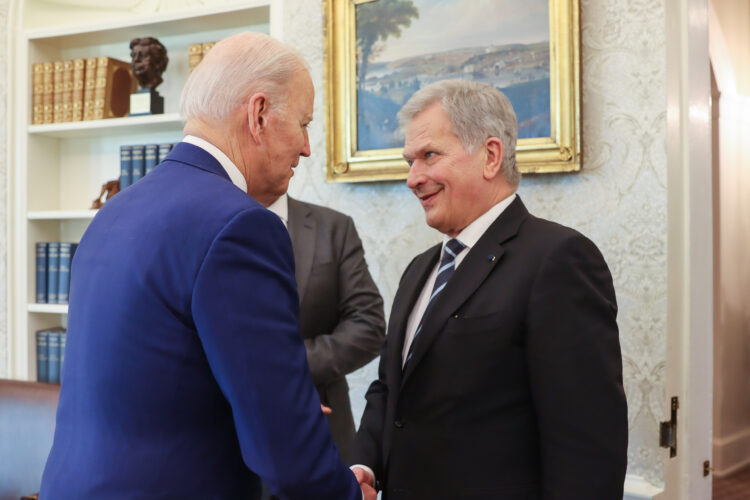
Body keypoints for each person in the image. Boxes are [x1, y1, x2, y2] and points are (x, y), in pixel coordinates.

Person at [40, 32, 374, 500]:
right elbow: (285, 452)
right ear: (258, 115)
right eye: (303, 124)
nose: (306, 147)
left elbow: (157, 373)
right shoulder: (240, 226)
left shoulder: (114, 211)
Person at [350, 79, 628, 499]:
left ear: (490, 156)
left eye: (429, 156)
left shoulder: (558, 259)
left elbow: (587, 443)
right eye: (410, 161)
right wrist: (364, 465)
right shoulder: (420, 269)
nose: (412, 178)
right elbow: (391, 388)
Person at [267, 193, 386, 460]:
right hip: (228, 439)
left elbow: (368, 325)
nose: (306, 150)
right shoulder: (204, 224)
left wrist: (289, 366)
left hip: (322, 435)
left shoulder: (333, 227)